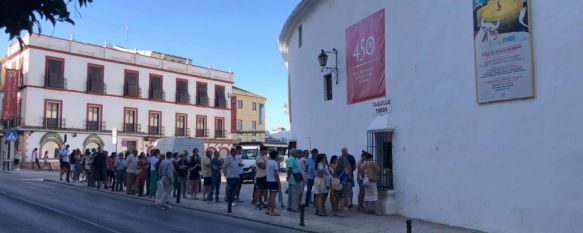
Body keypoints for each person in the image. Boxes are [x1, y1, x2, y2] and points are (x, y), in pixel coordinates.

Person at [360, 151, 382, 215]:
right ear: (370, 158)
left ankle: (367, 210)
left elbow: (361, 173)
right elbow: (379, 170)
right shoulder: (372, 163)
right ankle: (378, 211)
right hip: (371, 180)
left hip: (365, 180)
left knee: (367, 195)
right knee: (375, 195)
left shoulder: (363, 164)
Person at [334, 152, 352, 217]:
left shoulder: (336, 168)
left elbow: (335, 176)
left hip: (337, 184)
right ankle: (341, 212)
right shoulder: (346, 169)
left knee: (337, 198)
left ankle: (336, 211)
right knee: (343, 198)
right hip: (344, 184)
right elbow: (349, 177)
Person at [266, 150, 280, 216]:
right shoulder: (275, 163)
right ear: (275, 155)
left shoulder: (268, 162)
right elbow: (276, 174)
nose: (278, 156)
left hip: (268, 180)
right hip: (273, 181)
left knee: (270, 196)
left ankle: (267, 210)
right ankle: (272, 212)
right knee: (273, 197)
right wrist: (279, 181)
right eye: (278, 155)